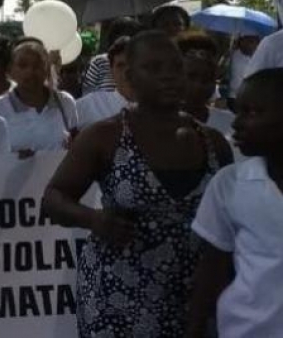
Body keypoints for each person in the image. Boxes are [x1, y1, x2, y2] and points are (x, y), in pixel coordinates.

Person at [43, 30, 232, 338]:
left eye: (175, 68)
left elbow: (227, 229)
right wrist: (94, 219)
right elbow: (53, 198)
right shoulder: (105, 136)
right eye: (154, 68)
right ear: (130, 76)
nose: (169, 77)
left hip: (192, 298)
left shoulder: (212, 143)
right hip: (117, 298)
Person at [187, 68, 283, 337]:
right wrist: (194, 328)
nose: (236, 124)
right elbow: (212, 269)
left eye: (252, 112)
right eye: (238, 111)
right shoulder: (230, 184)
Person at [0, 39, 77, 155]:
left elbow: (74, 145)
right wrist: (12, 159)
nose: (30, 71)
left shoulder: (65, 103)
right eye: (23, 65)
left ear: (46, 69)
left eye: (38, 65)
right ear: (10, 70)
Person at [178, 33, 234, 140]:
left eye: (207, 78)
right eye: (191, 76)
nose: (198, 85)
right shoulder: (155, 124)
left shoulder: (231, 123)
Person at [75, 36, 135, 129]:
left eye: (132, 64)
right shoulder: (91, 104)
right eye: (120, 66)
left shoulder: (156, 107)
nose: (126, 71)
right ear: (111, 70)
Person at [83, 17, 142, 95]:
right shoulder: (99, 62)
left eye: (129, 35)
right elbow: (88, 92)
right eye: (120, 65)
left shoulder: (142, 61)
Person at [225, 34, 259, 110]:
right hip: (232, 97)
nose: (250, 44)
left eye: (252, 42)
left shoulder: (260, 58)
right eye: (247, 40)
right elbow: (221, 73)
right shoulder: (233, 54)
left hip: (250, 99)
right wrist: (226, 56)